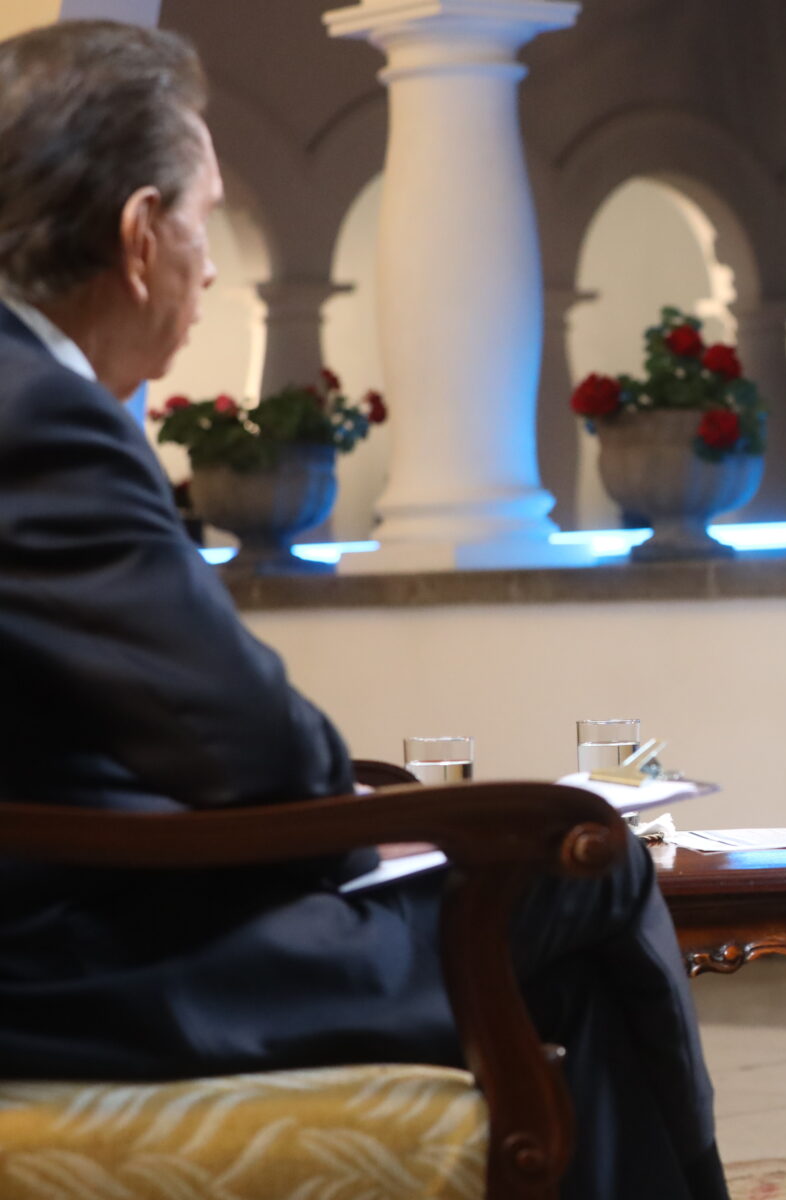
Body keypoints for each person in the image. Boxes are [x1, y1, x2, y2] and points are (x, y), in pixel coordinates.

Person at [0, 22, 726, 1198]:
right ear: (139, 236)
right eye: (204, 221)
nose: (212, 269)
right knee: (583, 864)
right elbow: (242, 742)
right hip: (84, 972)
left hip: (69, 919)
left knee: (554, 925)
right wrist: (356, 828)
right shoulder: (41, 418)